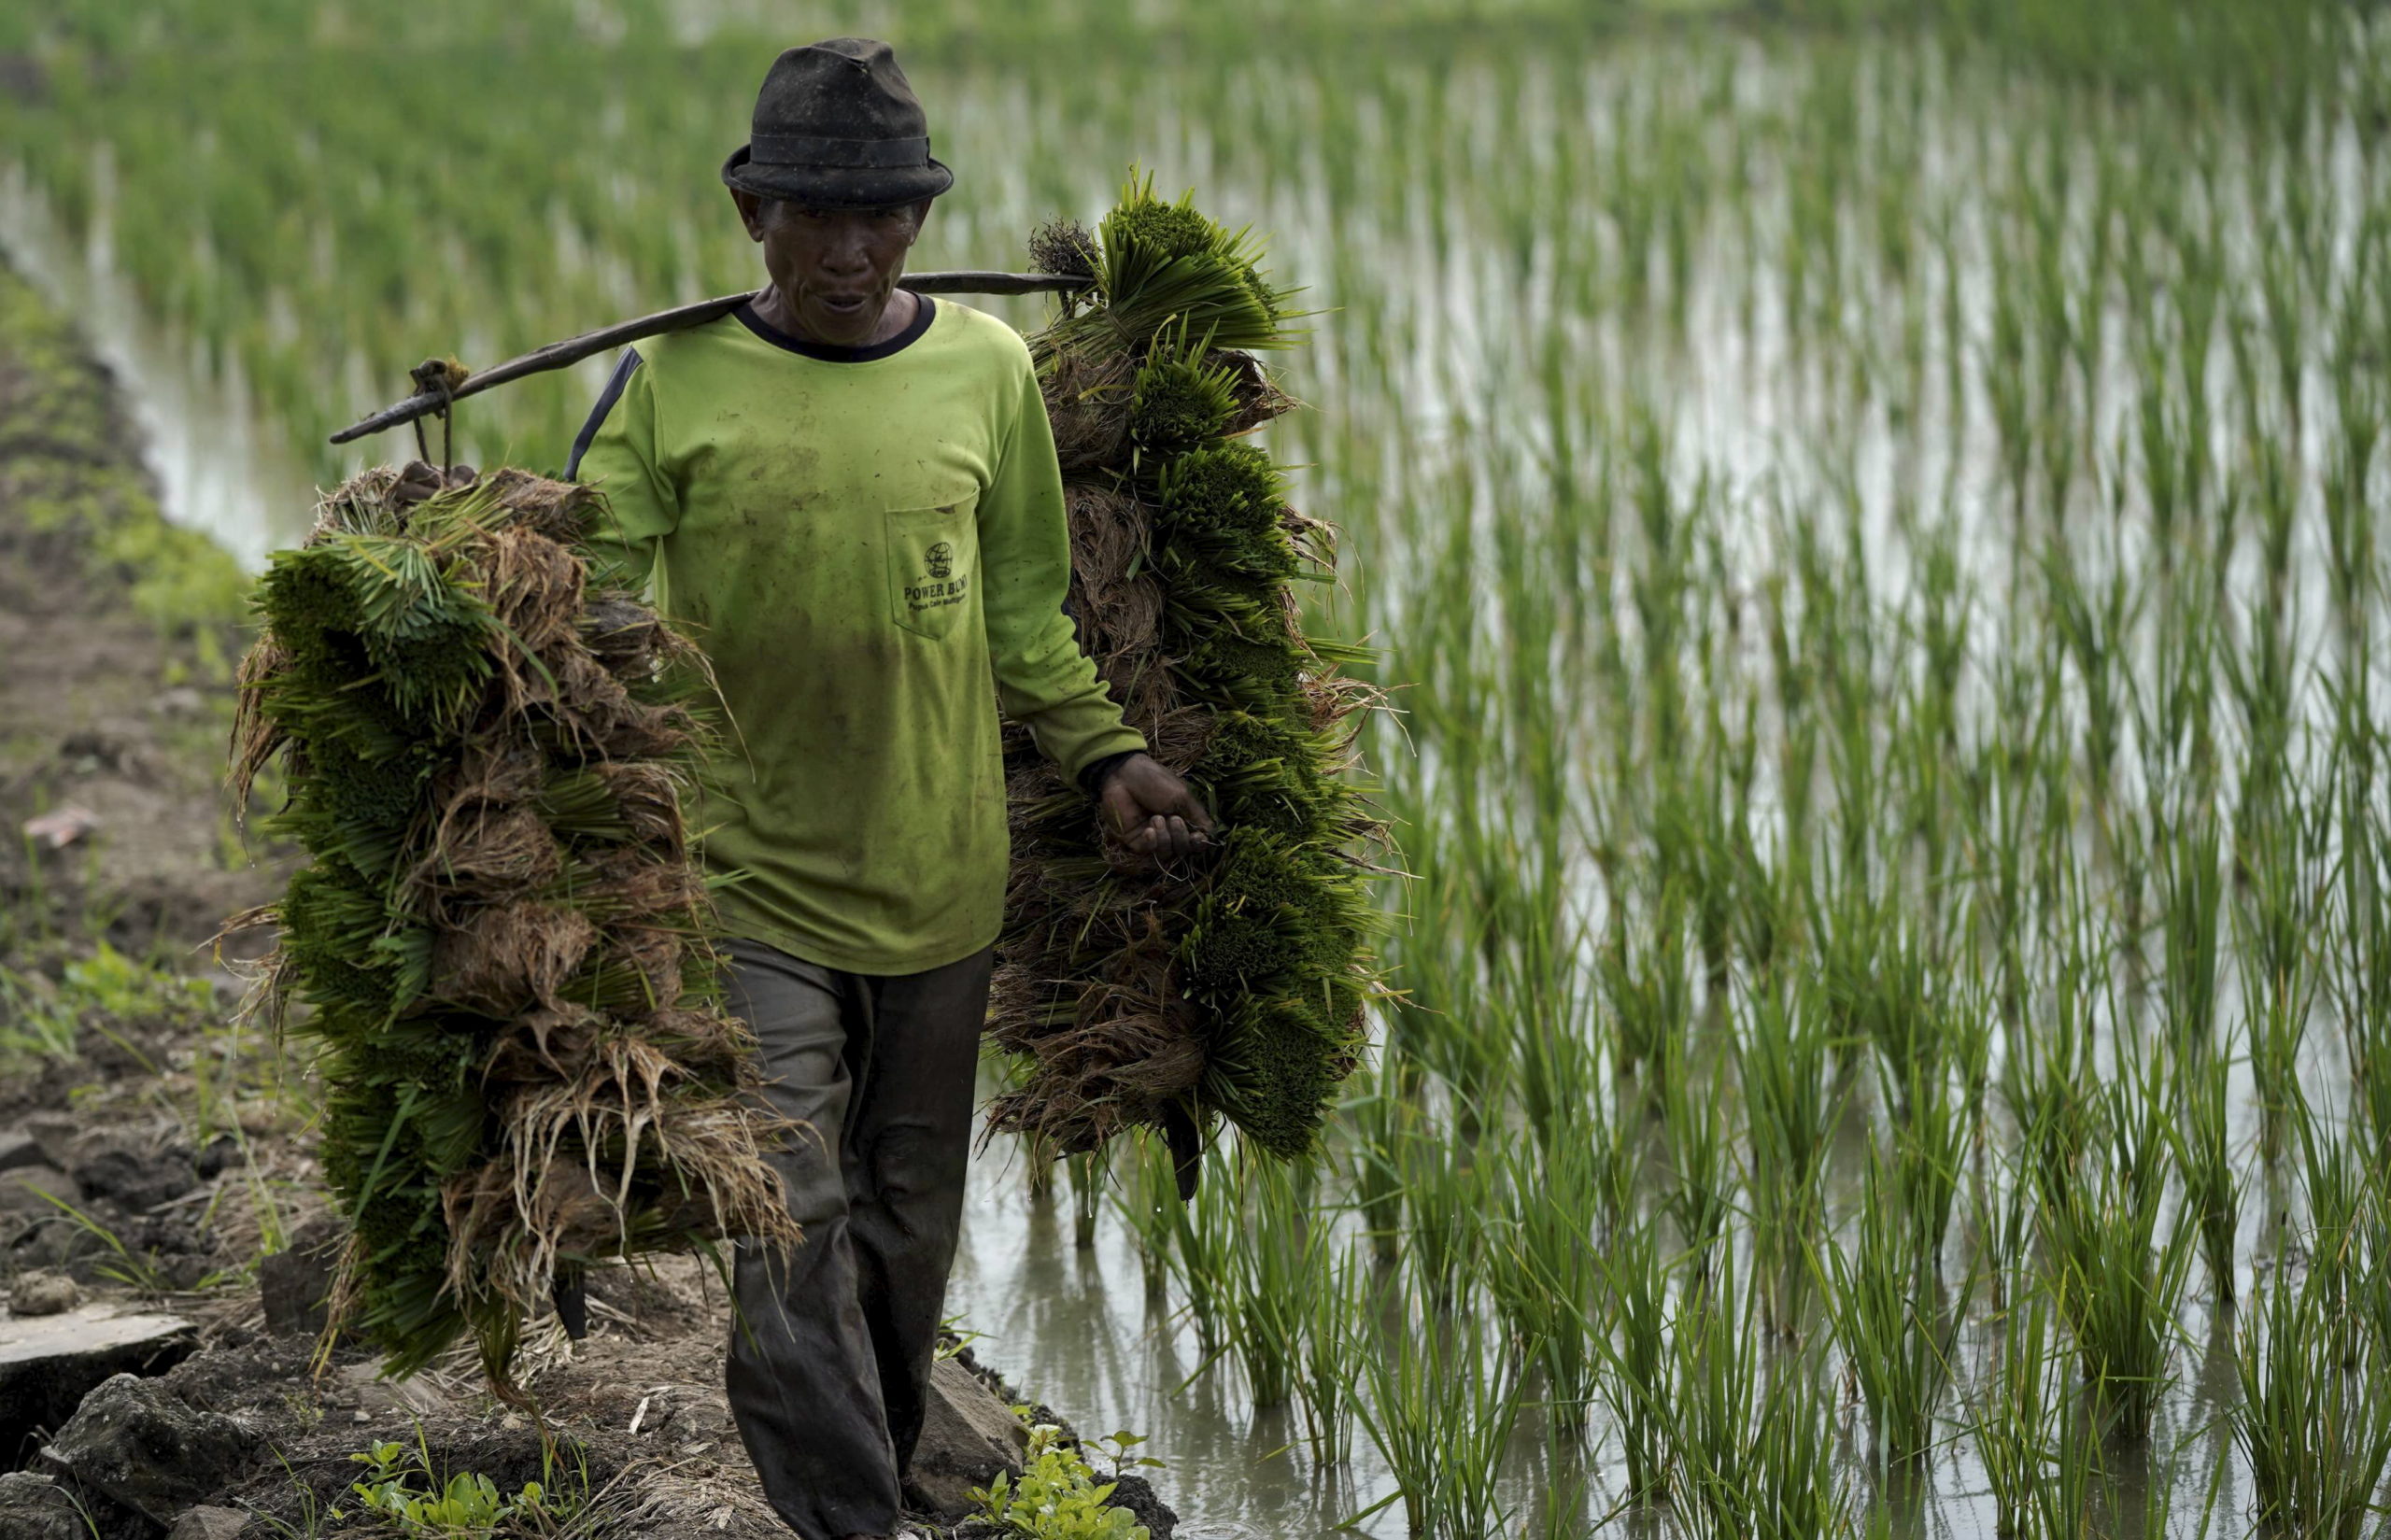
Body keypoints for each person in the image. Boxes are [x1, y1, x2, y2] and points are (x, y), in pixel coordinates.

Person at [565, 37, 1211, 1540]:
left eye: (884, 216)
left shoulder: (985, 371)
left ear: (920, 220)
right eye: (814, 215)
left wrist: (1109, 755)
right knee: (783, 1215)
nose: (851, 250)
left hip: (941, 881)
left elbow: (1028, 610)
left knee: (908, 1228)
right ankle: (854, 1523)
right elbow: (596, 605)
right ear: (751, 214)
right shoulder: (669, 382)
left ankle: (879, 1468)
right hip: (752, 883)